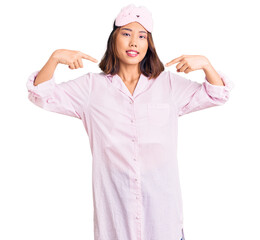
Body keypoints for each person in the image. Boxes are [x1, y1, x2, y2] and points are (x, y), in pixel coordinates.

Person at [26, 4, 234, 240]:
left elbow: (216, 94)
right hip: (115, 218)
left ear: (149, 44)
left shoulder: (168, 85)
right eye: (126, 33)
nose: (134, 42)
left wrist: (206, 64)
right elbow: (40, 94)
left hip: (163, 218)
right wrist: (54, 59)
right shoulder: (91, 88)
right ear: (114, 39)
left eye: (142, 36)